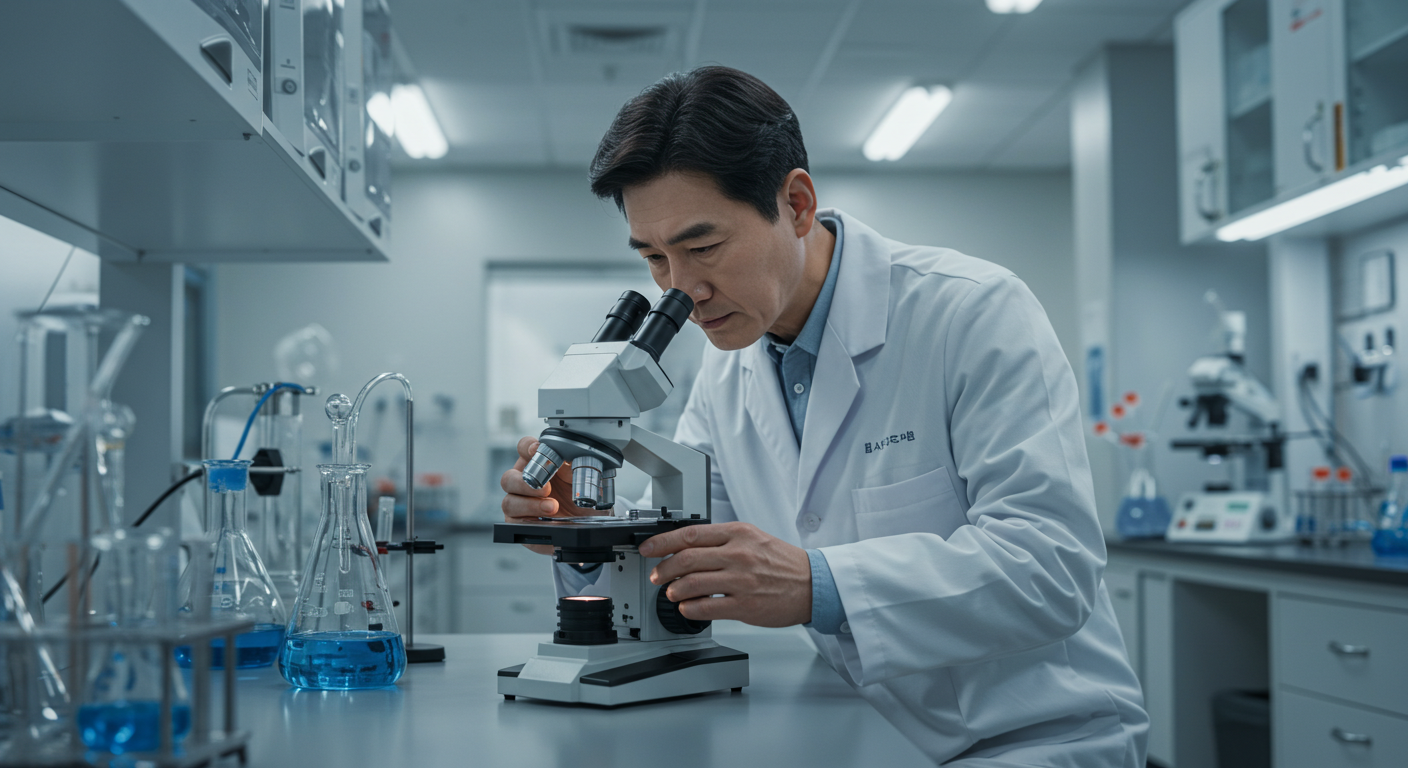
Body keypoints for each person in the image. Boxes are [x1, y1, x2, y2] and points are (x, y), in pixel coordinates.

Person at [500, 66, 1148, 767]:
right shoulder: (727, 373)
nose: (683, 289)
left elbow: (1052, 567)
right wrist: (581, 521)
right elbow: (686, 550)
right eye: (655, 258)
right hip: (861, 724)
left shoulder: (972, 313)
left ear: (797, 204)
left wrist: (819, 585)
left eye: (703, 248)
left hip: (1029, 738)